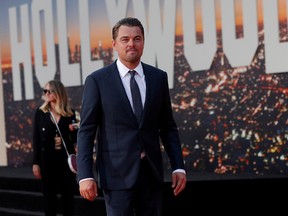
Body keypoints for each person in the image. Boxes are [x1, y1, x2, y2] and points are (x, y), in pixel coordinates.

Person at [77, 17, 187, 216]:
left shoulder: (158, 77)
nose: (131, 44)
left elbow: (168, 126)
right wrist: (85, 176)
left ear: (143, 42)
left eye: (137, 38)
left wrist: (178, 166)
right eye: (125, 39)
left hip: (151, 174)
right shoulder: (97, 81)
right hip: (116, 176)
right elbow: (86, 131)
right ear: (114, 44)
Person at [32, 80, 78, 216]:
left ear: (57, 92)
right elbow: (36, 139)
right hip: (47, 161)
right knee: (49, 200)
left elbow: (76, 139)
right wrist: (36, 163)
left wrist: (73, 131)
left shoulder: (70, 114)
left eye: (49, 91)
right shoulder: (40, 113)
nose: (46, 94)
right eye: (44, 91)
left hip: (65, 161)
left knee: (68, 199)